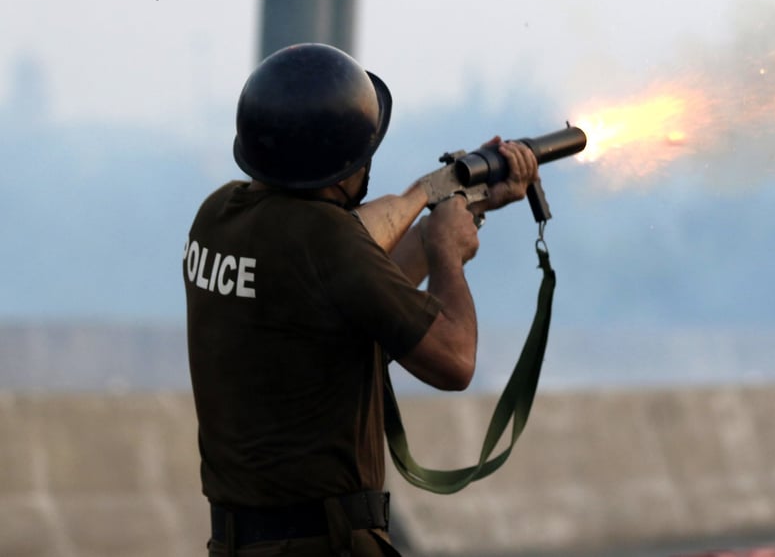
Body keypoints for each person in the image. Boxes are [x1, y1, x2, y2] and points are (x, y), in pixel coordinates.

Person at [183, 43, 539, 556]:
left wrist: (463, 206)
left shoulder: (218, 216)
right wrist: (447, 255)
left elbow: (355, 288)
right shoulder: (323, 240)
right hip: (322, 545)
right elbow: (455, 360)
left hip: (239, 543)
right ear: (342, 164)